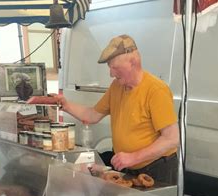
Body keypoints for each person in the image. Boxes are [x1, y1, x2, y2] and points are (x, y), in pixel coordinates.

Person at [45, 34, 179, 184]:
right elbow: (92, 115)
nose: (111, 74)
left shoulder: (156, 90)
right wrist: (65, 104)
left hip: (156, 169)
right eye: (110, 68)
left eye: (115, 68)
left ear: (133, 63)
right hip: (130, 168)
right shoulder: (116, 87)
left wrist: (134, 157)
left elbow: (171, 139)